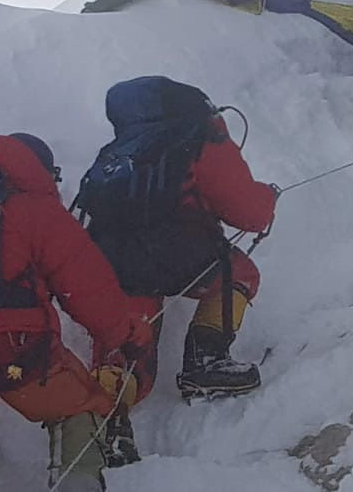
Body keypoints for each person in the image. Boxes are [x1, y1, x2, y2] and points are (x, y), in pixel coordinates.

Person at [75, 77, 277, 465]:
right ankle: (207, 361)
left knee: (127, 341)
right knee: (239, 274)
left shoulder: (116, 151)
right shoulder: (198, 134)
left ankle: (106, 422)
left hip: (111, 263)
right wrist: (268, 197)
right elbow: (248, 211)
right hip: (182, 255)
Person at [0, 133, 151, 491]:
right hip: (11, 345)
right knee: (80, 404)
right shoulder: (31, 208)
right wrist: (128, 334)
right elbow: (90, 291)